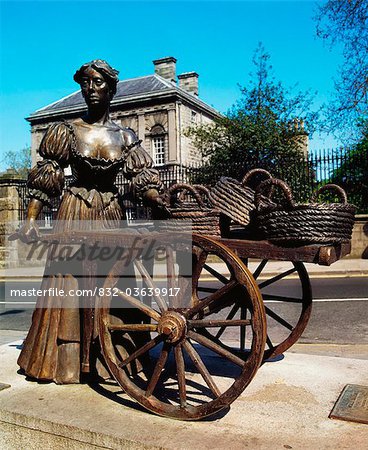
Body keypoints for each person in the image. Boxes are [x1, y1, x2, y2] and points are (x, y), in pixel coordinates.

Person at [13, 59, 165, 383]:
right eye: (86, 82)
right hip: (74, 213)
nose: (90, 89)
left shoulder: (125, 137)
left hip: (110, 214)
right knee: (69, 286)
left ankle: (109, 356)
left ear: (110, 89)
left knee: (113, 284)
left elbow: (142, 179)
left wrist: (160, 201)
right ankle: (66, 361)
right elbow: (48, 175)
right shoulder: (66, 131)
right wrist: (30, 219)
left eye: (98, 83)